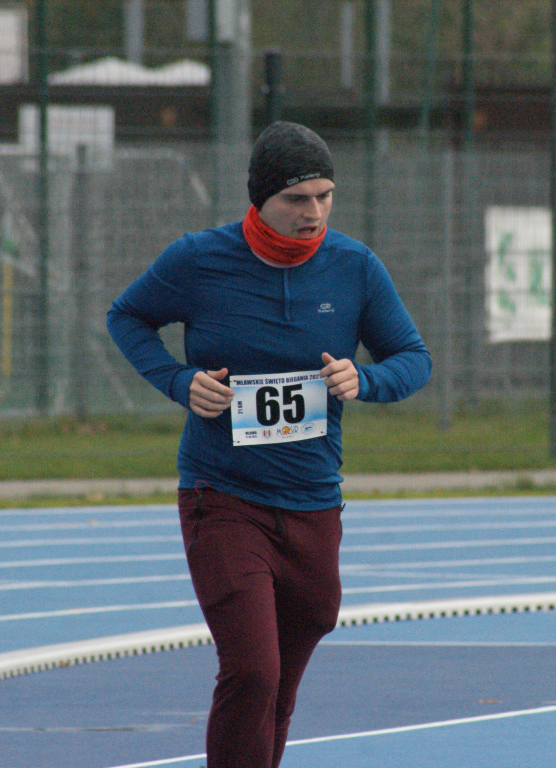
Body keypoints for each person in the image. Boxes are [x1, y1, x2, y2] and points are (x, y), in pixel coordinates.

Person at [106, 121, 432, 768]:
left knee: (281, 679)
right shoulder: (198, 260)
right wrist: (177, 381)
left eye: (324, 196)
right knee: (253, 670)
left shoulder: (355, 267)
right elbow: (128, 315)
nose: (313, 213)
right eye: (296, 199)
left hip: (314, 501)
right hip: (223, 496)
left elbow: (413, 358)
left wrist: (363, 379)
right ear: (259, 199)